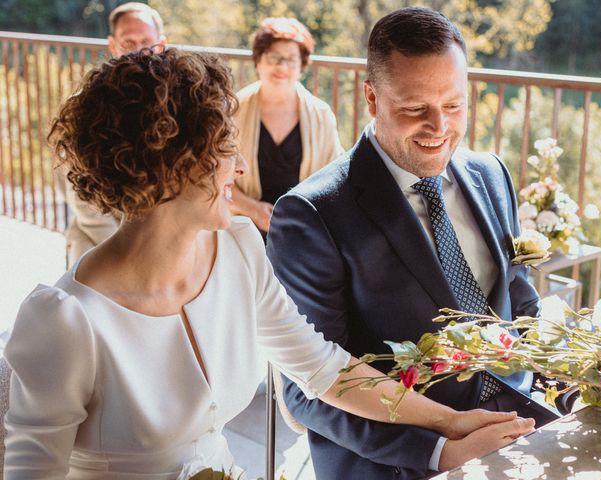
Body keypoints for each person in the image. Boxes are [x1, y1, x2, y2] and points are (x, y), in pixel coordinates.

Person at [3, 49, 532, 479]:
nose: (239, 166)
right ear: (165, 168)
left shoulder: (237, 248)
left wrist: (451, 423)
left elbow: (326, 370)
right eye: (225, 151)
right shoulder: (64, 319)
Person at [266, 7, 560, 480]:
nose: (439, 127)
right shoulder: (312, 214)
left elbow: (521, 305)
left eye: (454, 105)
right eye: (414, 108)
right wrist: (441, 453)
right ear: (372, 98)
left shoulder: (490, 175)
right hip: (401, 459)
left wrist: (574, 382)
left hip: (519, 420)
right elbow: (305, 390)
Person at [63, 2, 167, 265]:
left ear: (161, 45)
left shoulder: (177, 104)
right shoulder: (82, 105)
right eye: (127, 42)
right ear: (112, 45)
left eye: (146, 41)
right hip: (98, 238)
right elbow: (80, 196)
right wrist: (129, 252)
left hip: (161, 239)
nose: (138, 50)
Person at [231, 17, 343, 234]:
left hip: (305, 226)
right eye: (274, 57)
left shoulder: (321, 115)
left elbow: (334, 178)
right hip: (243, 224)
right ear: (258, 60)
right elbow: (213, 174)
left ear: (301, 66)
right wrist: (253, 210)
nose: (282, 66)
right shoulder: (234, 110)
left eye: (291, 59)